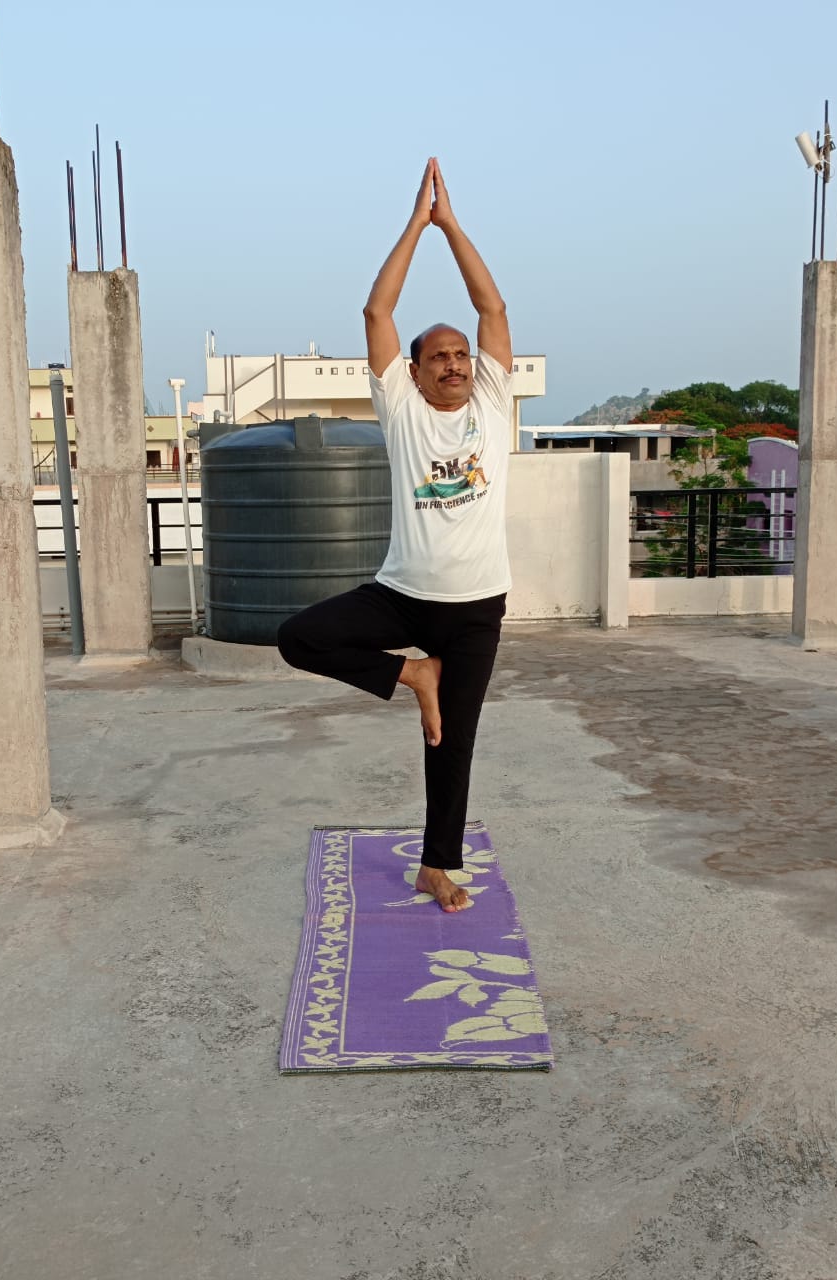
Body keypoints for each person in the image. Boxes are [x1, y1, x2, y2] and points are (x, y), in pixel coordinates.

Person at [277, 157, 513, 913]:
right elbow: (376, 314)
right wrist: (416, 223)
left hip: (476, 607)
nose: (451, 361)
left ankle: (436, 865)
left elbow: (494, 306)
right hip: (402, 596)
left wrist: (453, 225)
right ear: (409, 374)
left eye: (458, 354)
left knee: (451, 745)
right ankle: (411, 676)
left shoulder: (493, 406)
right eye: (436, 355)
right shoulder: (402, 412)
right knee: (298, 637)